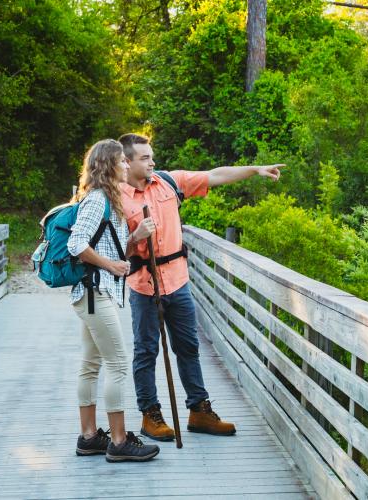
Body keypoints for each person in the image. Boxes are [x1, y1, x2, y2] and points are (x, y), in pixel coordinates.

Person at [118, 132, 283, 441]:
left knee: (189, 347)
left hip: (178, 282)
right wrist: (135, 237)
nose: (152, 161)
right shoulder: (115, 198)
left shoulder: (168, 182)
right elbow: (112, 252)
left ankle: (199, 411)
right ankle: (150, 415)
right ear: (126, 162)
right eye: (144, 158)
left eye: (152, 155)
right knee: (146, 352)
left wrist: (256, 169)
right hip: (144, 286)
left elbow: (215, 174)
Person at [67, 138, 160, 462]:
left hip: (95, 293)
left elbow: (113, 246)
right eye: (121, 161)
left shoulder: (108, 199)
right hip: (95, 293)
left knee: (91, 365)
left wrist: (135, 238)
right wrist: (111, 266)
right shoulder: (97, 200)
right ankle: (119, 442)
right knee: (118, 364)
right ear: (109, 165)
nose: (126, 165)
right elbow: (76, 244)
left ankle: (90, 436)